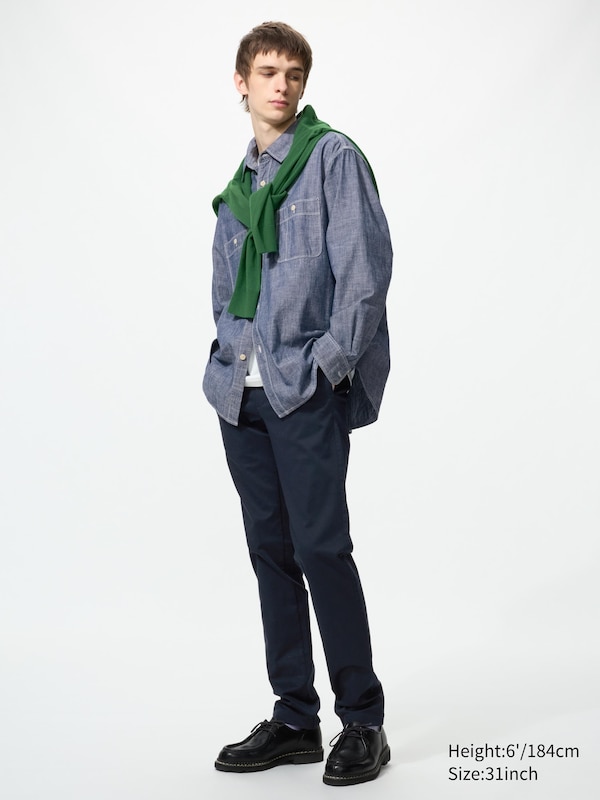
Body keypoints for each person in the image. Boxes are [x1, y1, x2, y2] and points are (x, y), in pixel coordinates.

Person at [203, 21, 393, 786]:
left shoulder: (330, 159)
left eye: (293, 74)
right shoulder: (239, 188)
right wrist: (225, 359)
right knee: (271, 555)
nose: (281, 85)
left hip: (302, 390)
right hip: (241, 395)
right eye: (267, 72)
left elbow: (365, 276)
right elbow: (225, 290)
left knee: (320, 549)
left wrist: (326, 367)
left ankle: (363, 720)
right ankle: (294, 718)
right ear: (241, 83)